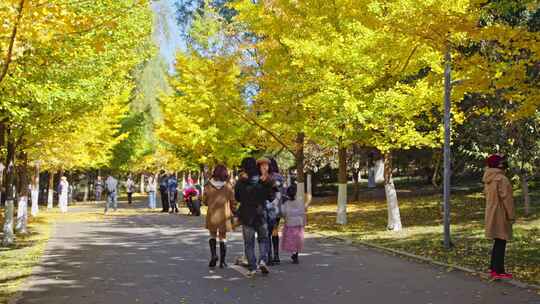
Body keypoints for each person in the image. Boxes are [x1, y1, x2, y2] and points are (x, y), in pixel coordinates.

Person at [235, 157, 274, 276]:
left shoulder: (240, 182)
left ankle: (252, 267)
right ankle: (262, 260)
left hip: (246, 215)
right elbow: (270, 196)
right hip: (261, 214)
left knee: (249, 243)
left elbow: (237, 198)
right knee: (263, 239)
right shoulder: (263, 180)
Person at [483, 154, 515, 280]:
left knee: (498, 241)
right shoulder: (502, 179)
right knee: (501, 241)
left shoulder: (488, 177)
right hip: (501, 213)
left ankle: (495, 269)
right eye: (502, 162)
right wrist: (511, 215)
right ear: (499, 165)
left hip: (491, 213)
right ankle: (498, 270)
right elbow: (507, 199)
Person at [203, 165, 236, 268]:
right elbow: (233, 201)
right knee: (223, 237)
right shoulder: (228, 186)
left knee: (212, 235)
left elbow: (204, 201)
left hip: (212, 214)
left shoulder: (208, 185)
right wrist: (234, 211)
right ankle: (222, 261)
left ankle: (213, 255)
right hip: (224, 215)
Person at [281, 182, 305, 264]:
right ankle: (296, 254)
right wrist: (304, 222)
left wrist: (285, 218)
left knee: (291, 240)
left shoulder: (286, 204)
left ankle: (293, 254)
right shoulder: (300, 201)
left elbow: (283, 213)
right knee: (297, 240)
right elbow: (302, 212)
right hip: (298, 223)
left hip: (290, 224)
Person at [267, 157, 285, 265]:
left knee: (267, 233)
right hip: (278, 209)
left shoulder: (267, 177)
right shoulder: (280, 177)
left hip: (268, 208)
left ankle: (269, 256)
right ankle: (276, 255)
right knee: (274, 231)